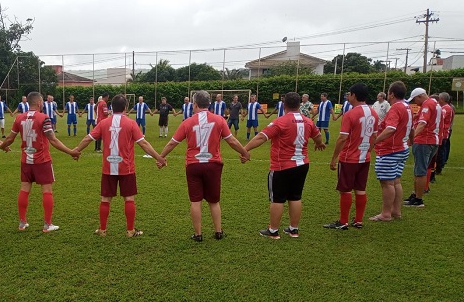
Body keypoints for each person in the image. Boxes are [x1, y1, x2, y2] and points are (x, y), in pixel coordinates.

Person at [159, 90, 250, 242]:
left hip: (194, 165)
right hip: (213, 165)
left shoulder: (187, 122)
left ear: (195, 104)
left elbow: (172, 143)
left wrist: (161, 157)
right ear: (209, 104)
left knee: (195, 201)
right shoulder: (219, 120)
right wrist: (245, 152)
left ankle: (198, 234)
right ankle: (218, 231)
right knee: (214, 201)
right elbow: (232, 141)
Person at [73, 94, 167, 237]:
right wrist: (159, 157)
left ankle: (102, 230)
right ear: (125, 107)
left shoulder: (104, 123)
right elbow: (143, 143)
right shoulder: (130, 123)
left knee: (105, 199)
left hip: (108, 167)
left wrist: (76, 150)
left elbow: (88, 138)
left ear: (111, 107)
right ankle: (130, 231)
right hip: (126, 168)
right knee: (129, 198)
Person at [244, 91, 325, 238]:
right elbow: (318, 136)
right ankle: (293, 229)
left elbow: (261, 137)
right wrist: (319, 143)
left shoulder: (280, 121)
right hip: (302, 164)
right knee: (295, 197)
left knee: (278, 198)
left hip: (282, 166)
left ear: (284, 104)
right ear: (300, 104)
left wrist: (244, 150)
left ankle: (273, 231)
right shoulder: (308, 121)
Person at [0, 91, 80, 231]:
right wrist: (71, 152)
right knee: (47, 191)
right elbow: (53, 140)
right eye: (42, 102)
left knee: (24, 189)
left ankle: (22, 222)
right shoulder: (44, 118)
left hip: (26, 160)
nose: (42, 104)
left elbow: (10, 139)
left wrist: (2, 146)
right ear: (38, 103)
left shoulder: (19, 118)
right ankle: (47, 224)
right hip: (42, 160)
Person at [323, 83, 378, 229]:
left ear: (354, 95)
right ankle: (358, 220)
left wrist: (334, 157)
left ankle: (343, 222)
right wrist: (368, 150)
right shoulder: (374, 113)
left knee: (345, 190)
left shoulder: (351, 114)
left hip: (349, 158)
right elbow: (374, 136)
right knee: (360, 189)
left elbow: (342, 138)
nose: (347, 97)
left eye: (349, 94)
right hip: (364, 158)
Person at [369, 81, 411, 222]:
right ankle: (396, 211)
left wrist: (375, 141)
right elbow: (410, 128)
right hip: (402, 148)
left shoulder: (395, 108)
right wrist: (410, 140)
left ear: (391, 94)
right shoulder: (407, 107)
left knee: (387, 183)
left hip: (390, 150)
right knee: (396, 181)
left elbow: (391, 128)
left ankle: (386, 214)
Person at [435, 92, 453, 175]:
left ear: (442, 99)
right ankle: (439, 167)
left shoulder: (445, 108)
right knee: (441, 150)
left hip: (443, 133)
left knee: (440, 151)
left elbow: (441, 117)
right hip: (444, 132)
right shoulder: (447, 107)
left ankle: (438, 168)